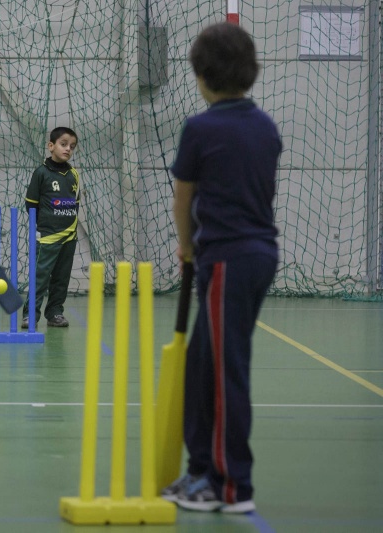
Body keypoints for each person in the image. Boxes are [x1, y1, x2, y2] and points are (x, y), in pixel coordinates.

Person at [162, 22, 281, 514]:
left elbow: (184, 197)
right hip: (253, 255)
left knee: (225, 370)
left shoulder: (201, 127)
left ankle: (232, 485)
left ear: (201, 75)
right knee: (203, 366)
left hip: (228, 258)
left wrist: (186, 246)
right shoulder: (265, 126)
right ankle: (201, 473)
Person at [21, 127, 80, 329]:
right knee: (40, 278)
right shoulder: (41, 173)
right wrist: (40, 229)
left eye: (72, 147)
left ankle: (55, 312)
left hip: (69, 236)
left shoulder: (73, 174)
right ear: (51, 146)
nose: (68, 149)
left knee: (61, 279)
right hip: (46, 237)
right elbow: (30, 204)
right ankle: (30, 315)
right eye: (63, 144)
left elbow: (75, 203)